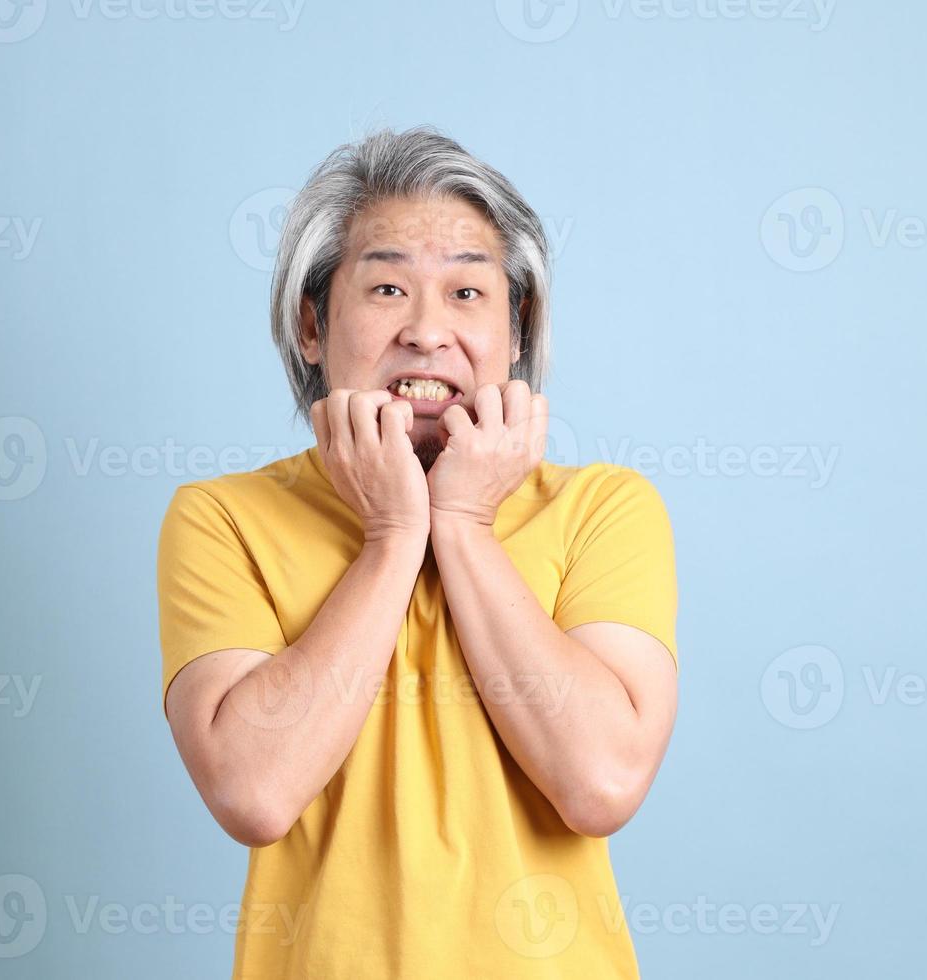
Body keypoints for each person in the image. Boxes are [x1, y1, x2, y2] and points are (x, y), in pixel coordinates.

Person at [156, 125, 679, 979]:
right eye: (389, 286)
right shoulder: (224, 519)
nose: (429, 331)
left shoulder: (602, 510)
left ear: (517, 332)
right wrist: (394, 537)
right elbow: (253, 791)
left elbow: (602, 784)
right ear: (313, 325)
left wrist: (464, 525)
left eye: (469, 292)